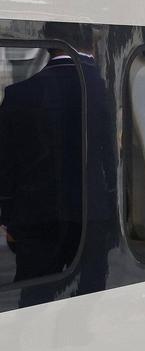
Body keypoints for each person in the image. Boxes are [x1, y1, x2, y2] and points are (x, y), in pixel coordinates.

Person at [0, 23, 117, 306]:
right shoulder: (105, 91)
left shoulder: (19, 95)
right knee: (86, 300)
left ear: (48, 43)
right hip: (92, 217)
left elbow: (6, 164)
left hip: (35, 218)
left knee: (35, 298)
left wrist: (8, 216)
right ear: (91, 41)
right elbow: (110, 161)